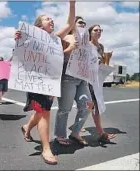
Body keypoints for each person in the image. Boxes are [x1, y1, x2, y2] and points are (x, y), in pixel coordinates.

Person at [15, 1, 76, 165]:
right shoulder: (30, 37)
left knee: (42, 110)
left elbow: (70, 23)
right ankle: (46, 148)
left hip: (50, 82)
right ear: (39, 25)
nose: (51, 20)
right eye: (47, 19)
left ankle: (27, 127)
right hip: (36, 82)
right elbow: (20, 54)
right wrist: (18, 38)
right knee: (44, 113)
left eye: (51, 19)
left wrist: (72, 4)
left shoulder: (55, 38)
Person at [54, 16, 93, 147]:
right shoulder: (65, 38)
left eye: (85, 23)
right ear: (73, 25)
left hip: (82, 78)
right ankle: (60, 135)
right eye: (80, 22)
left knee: (87, 105)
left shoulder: (87, 42)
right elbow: (55, 56)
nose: (83, 24)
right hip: (68, 77)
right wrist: (70, 48)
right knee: (65, 108)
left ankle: (75, 132)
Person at [88, 24, 116, 143]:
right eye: (96, 30)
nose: (98, 32)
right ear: (90, 32)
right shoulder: (87, 45)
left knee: (94, 105)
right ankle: (100, 132)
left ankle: (100, 132)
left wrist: (106, 60)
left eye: (100, 30)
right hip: (88, 78)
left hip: (97, 79)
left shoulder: (101, 47)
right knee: (90, 105)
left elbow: (102, 62)